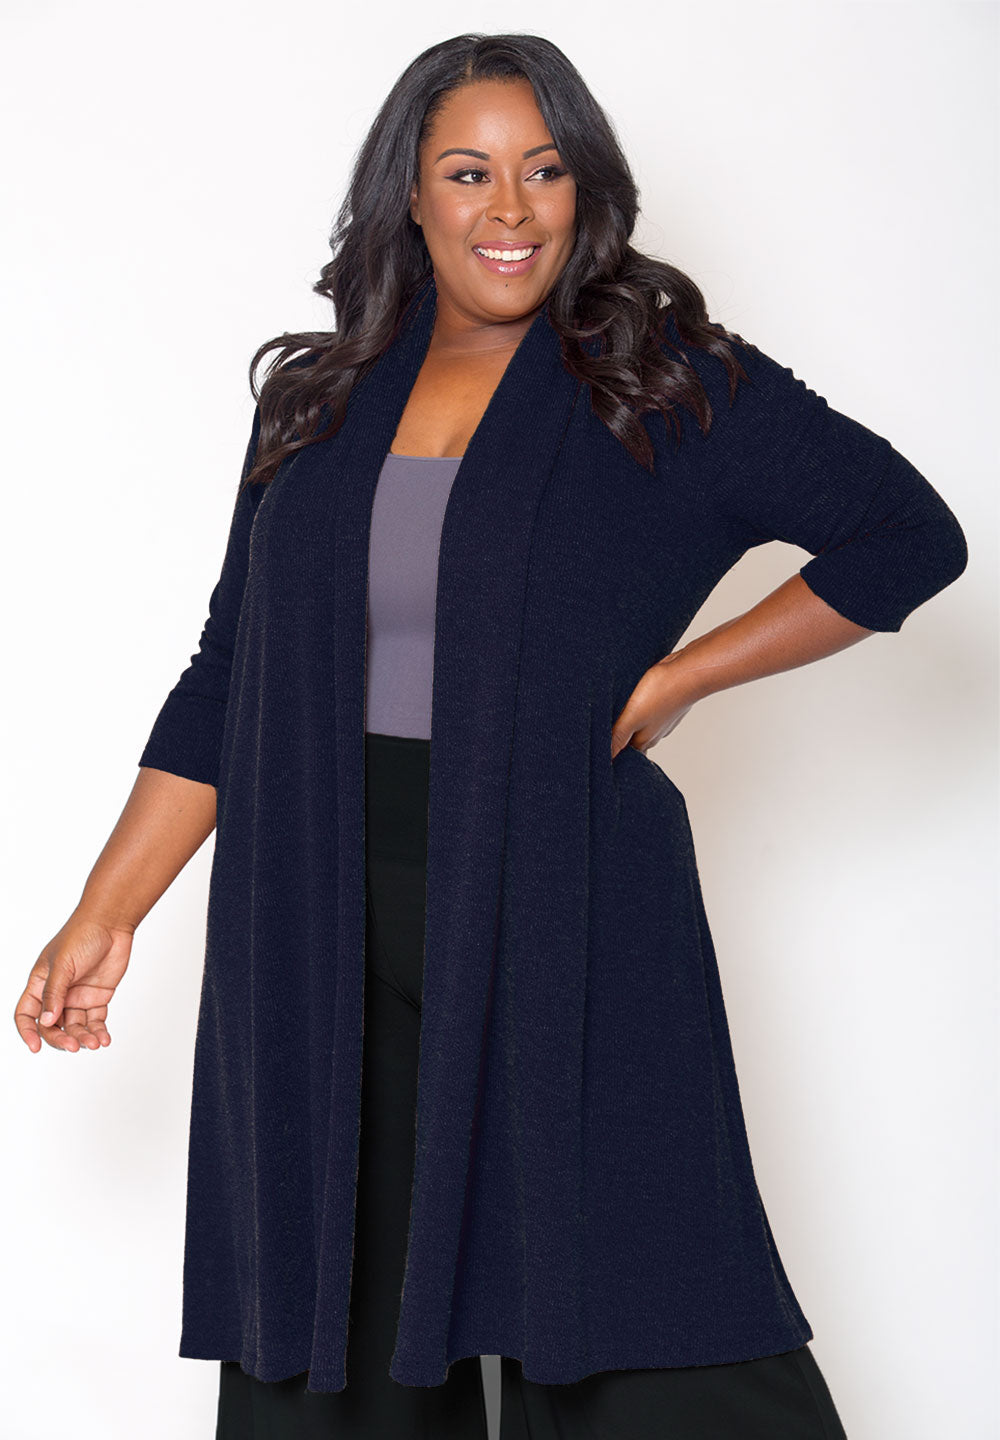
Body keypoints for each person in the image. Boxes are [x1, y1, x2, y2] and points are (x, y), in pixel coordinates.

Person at [14, 32, 968, 1440]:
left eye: (545, 170)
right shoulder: (320, 400)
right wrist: (109, 912)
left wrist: (682, 675)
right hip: (316, 912)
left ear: (589, 189)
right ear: (410, 193)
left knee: (640, 1301)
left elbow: (908, 534)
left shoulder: (664, 380)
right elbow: (230, 675)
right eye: (468, 173)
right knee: (334, 1327)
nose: (509, 208)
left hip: (563, 894)